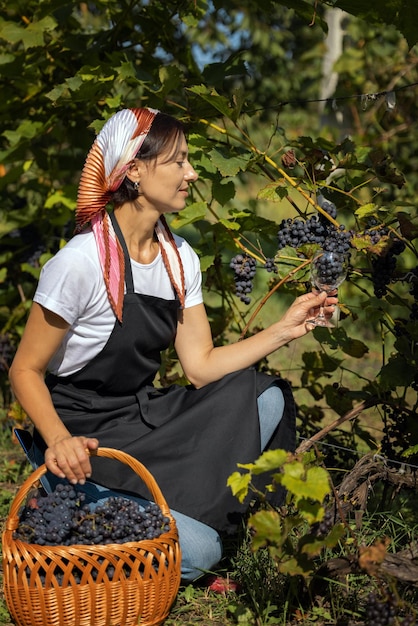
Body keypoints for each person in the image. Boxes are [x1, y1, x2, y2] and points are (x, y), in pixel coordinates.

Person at [9, 107, 337, 582]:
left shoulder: (180, 256)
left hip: (144, 421)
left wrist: (285, 328)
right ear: (135, 171)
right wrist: (60, 441)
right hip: (84, 440)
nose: (192, 172)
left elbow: (200, 367)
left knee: (262, 397)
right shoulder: (78, 263)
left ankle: (158, 512)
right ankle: (70, 502)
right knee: (201, 552)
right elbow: (24, 370)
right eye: (179, 161)